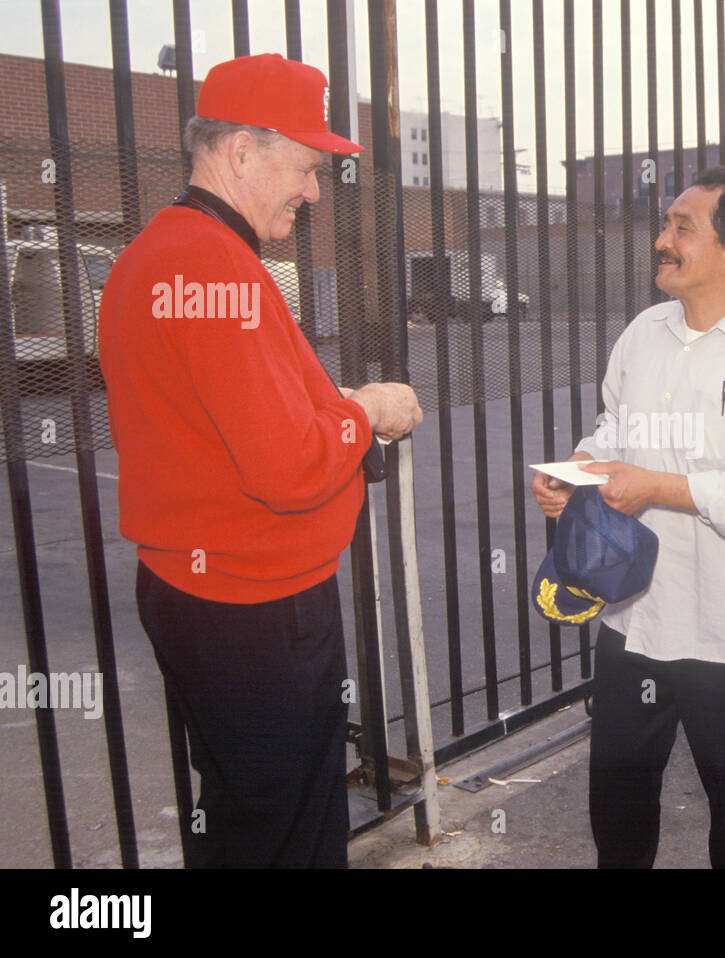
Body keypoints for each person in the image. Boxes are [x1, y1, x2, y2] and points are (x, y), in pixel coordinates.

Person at [98, 54, 424, 867]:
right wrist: (367, 412)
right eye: (308, 168)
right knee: (285, 832)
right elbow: (284, 467)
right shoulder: (213, 267)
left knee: (250, 813)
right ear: (242, 151)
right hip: (255, 607)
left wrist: (329, 408)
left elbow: (222, 418)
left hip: (203, 593)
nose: (314, 192)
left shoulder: (158, 254)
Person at [531, 167, 725, 868]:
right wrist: (581, 468)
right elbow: (615, 429)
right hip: (635, 623)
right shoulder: (641, 335)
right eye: (665, 225)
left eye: (681, 229)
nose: (662, 240)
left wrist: (658, 487)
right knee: (620, 812)